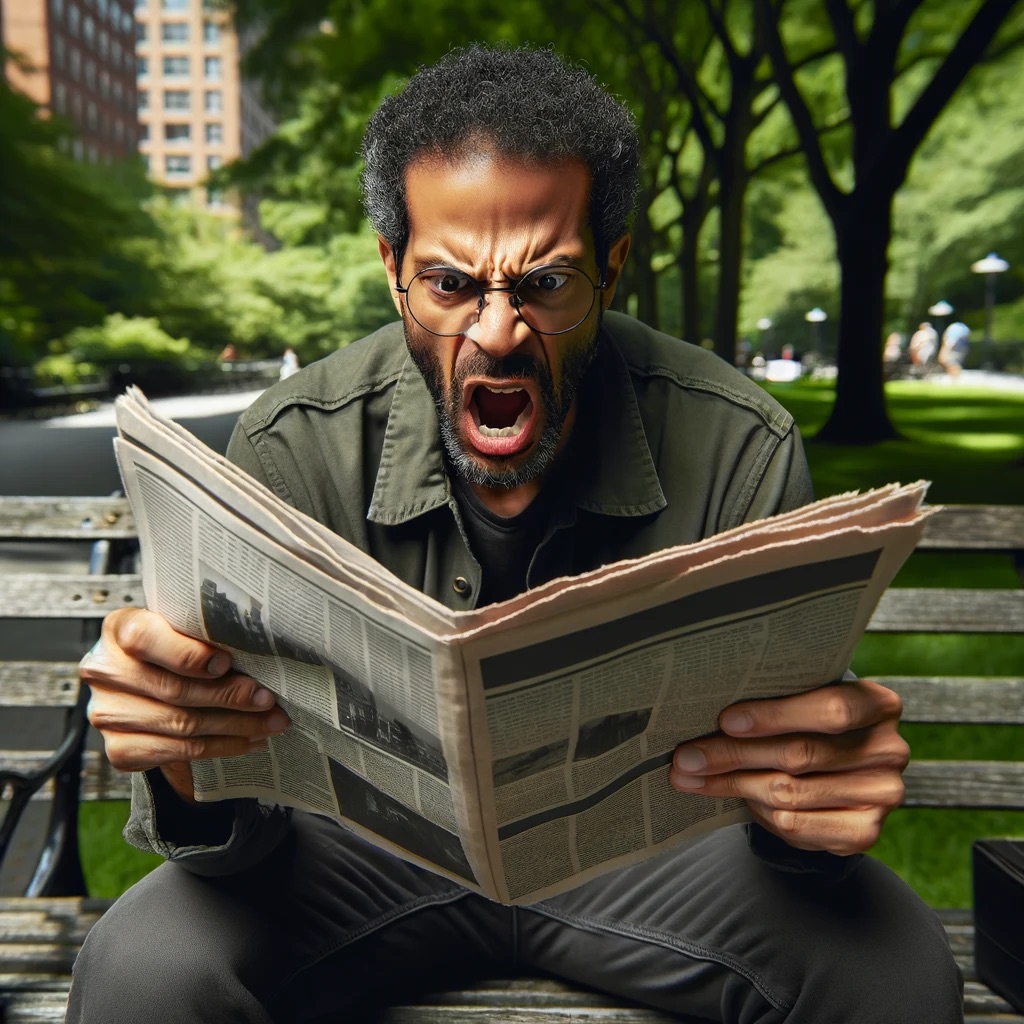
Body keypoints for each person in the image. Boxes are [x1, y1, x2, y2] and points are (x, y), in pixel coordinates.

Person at [70, 45, 962, 1024]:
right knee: (143, 968)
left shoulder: (739, 442)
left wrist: (812, 811)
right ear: (391, 271)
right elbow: (241, 842)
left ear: (612, 267)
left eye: (545, 283)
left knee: (892, 971)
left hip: (652, 862)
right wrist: (186, 758)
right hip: (358, 856)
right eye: (450, 284)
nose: (497, 334)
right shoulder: (289, 443)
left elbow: (784, 806)